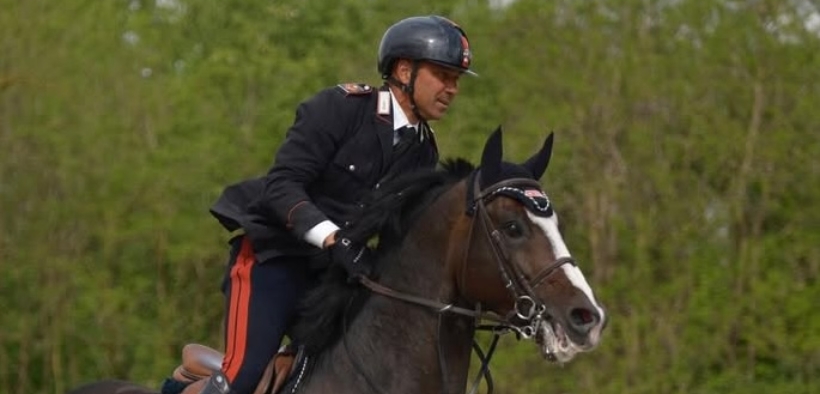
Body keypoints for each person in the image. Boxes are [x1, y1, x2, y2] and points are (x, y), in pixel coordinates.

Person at [201, 15, 476, 394]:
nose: (452, 89)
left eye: (456, 80)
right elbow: (282, 186)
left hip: (331, 281)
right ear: (404, 71)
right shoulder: (342, 107)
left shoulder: (424, 152)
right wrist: (335, 239)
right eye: (443, 76)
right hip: (273, 261)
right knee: (245, 376)